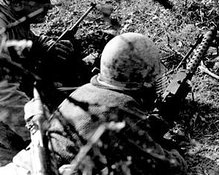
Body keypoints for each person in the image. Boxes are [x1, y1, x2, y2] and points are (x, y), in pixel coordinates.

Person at [2, 32, 187, 174]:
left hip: (19, 166)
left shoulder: (84, 91)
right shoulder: (123, 107)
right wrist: (174, 149)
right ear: (142, 79)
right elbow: (167, 167)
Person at [0, 0, 75, 164]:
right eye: (43, 0)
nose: (49, 5)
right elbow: (4, 97)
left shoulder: (13, 18)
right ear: (17, 4)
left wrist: (45, 44)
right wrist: (45, 135)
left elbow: (26, 38)